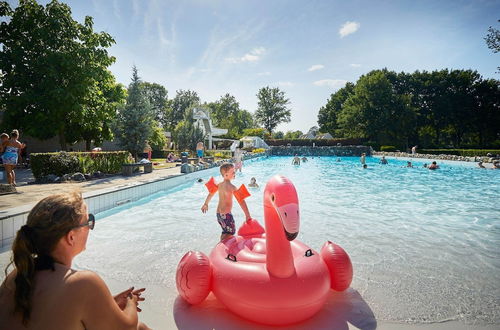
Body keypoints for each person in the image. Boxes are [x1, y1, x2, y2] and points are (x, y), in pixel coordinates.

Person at [0, 191, 150, 329]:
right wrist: (131, 302)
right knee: (140, 327)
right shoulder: (83, 283)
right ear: (71, 237)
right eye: (88, 221)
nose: (90, 228)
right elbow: (128, 328)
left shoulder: (17, 275)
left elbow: (54, 310)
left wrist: (107, 302)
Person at [201, 163, 252, 241]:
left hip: (219, 214)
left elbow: (211, 194)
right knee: (231, 232)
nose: (235, 173)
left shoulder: (219, 185)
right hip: (226, 215)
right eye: (233, 172)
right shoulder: (232, 187)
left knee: (225, 231)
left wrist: (206, 204)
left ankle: (221, 244)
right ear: (226, 175)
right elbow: (241, 201)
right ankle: (225, 247)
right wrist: (247, 215)